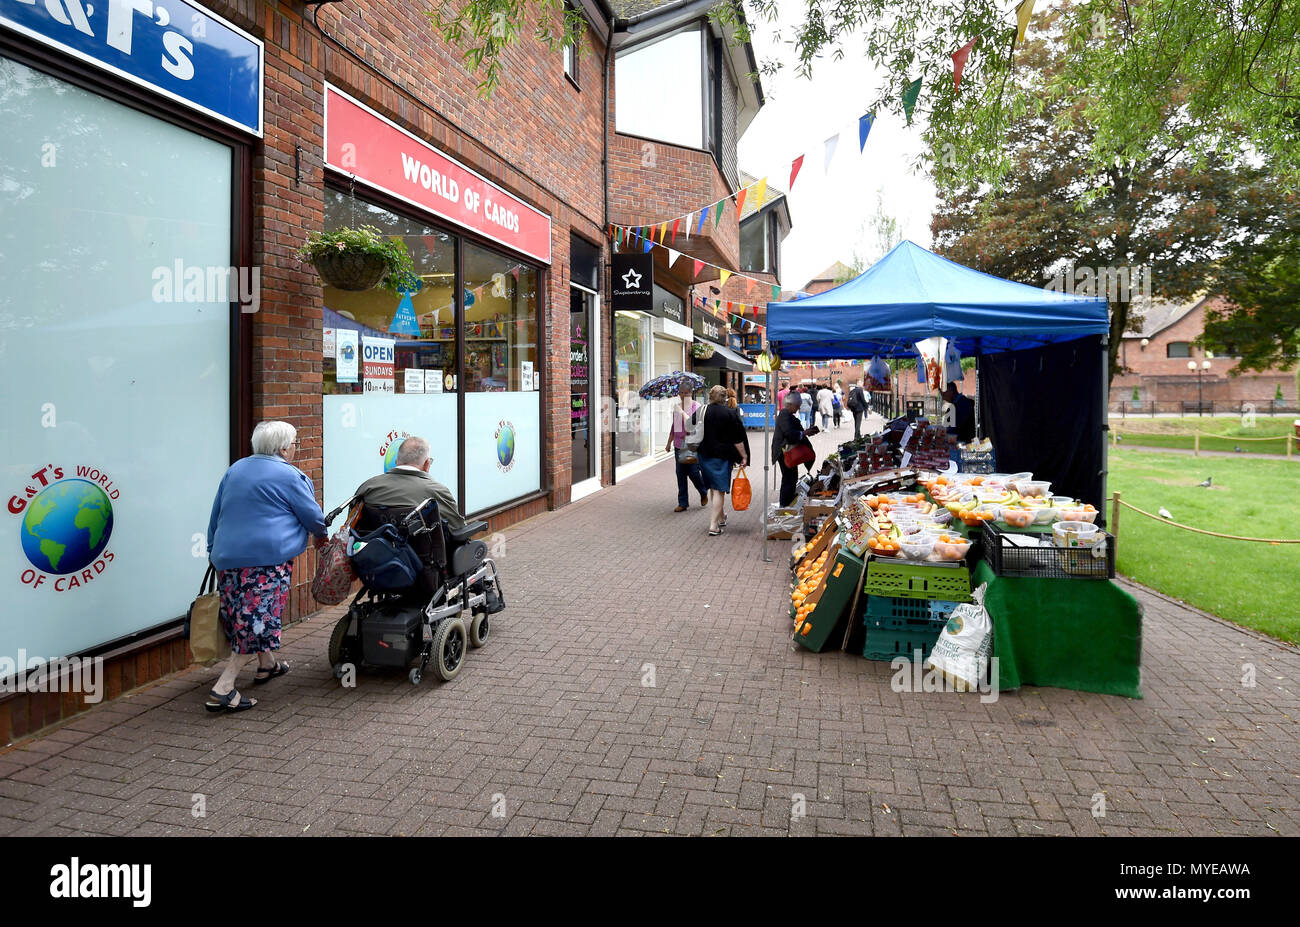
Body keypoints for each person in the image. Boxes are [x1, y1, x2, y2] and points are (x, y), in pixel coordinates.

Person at [204, 420, 327, 712]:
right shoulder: (290, 475)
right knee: (257, 622)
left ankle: (267, 665)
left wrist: (212, 550)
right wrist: (321, 537)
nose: (296, 448)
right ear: (284, 449)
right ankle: (223, 687)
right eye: (295, 443)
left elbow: (216, 514)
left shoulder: (235, 470)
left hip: (228, 558)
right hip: (265, 562)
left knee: (244, 615)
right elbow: (313, 517)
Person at [351, 435, 464, 600]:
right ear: (427, 464)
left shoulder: (368, 487)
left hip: (380, 566)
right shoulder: (436, 490)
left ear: (397, 461)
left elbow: (356, 526)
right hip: (425, 571)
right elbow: (458, 528)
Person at [698, 385, 748, 536]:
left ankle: (721, 517)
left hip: (704, 455)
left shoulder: (702, 411)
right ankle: (713, 525)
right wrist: (744, 456)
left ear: (711, 396)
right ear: (724, 398)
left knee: (714, 487)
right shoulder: (730, 413)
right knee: (719, 490)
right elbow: (737, 439)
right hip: (722, 457)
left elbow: (689, 426)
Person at [664, 382, 707, 512]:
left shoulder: (697, 406)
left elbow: (692, 425)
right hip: (679, 444)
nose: (683, 395)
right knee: (680, 473)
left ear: (691, 392)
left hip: (691, 444)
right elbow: (675, 426)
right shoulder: (677, 406)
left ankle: (703, 491)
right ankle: (683, 503)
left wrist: (681, 412)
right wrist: (669, 442)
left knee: (693, 472)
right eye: (681, 393)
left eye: (686, 393)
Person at [773, 393, 819, 507]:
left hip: (787, 452)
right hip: (784, 452)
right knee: (789, 479)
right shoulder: (784, 414)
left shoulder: (787, 414)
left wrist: (805, 432)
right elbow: (788, 433)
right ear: (789, 404)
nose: (799, 407)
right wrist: (804, 433)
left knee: (791, 477)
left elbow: (793, 432)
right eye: (797, 405)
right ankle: (785, 504)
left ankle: (787, 502)